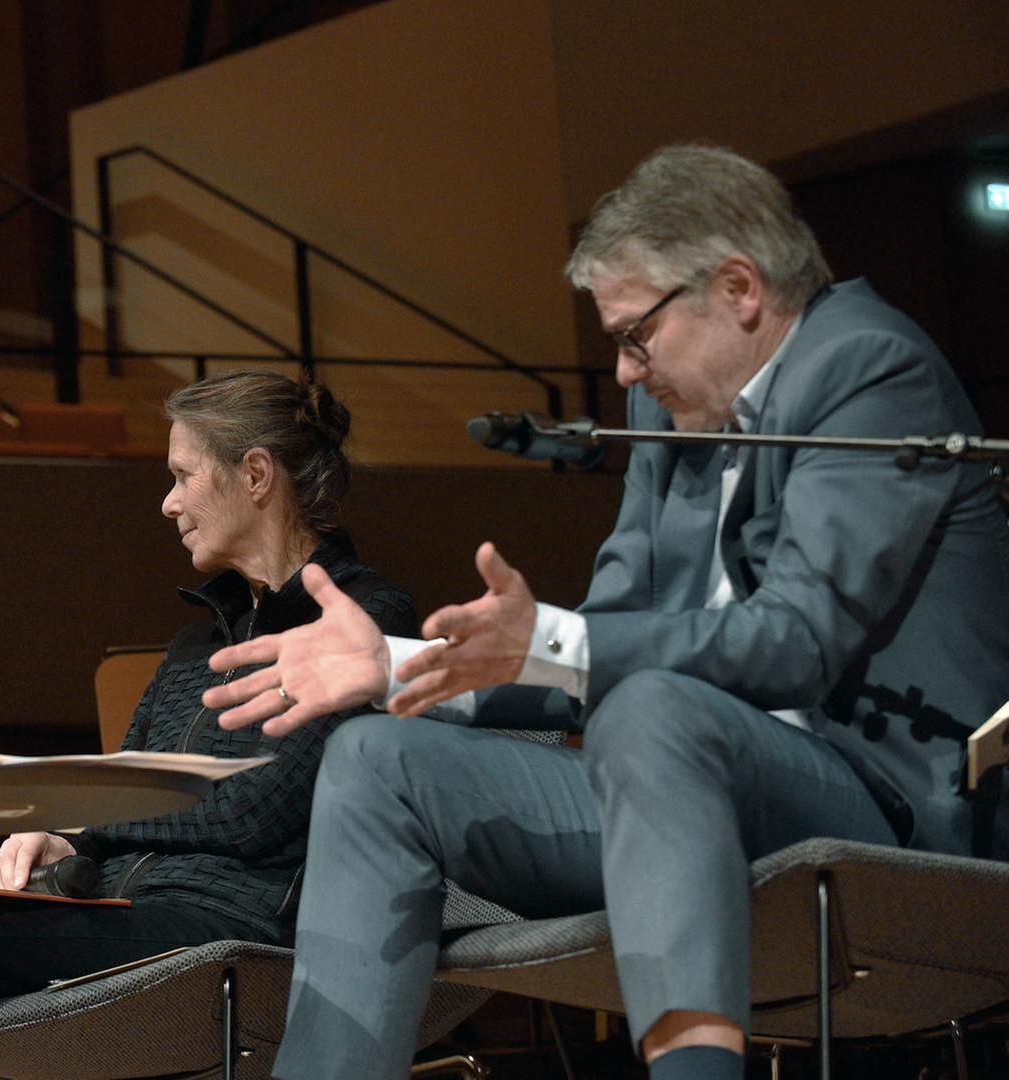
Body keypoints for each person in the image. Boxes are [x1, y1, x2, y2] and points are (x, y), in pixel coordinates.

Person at [206, 144, 1009, 1080]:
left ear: (739, 289)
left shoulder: (866, 366)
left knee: (651, 706)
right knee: (376, 758)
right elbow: (603, 637)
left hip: (880, 810)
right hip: (667, 789)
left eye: (636, 336)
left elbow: (796, 641)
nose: (625, 373)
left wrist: (557, 642)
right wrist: (399, 666)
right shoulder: (673, 416)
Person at [0, 370, 418, 1080]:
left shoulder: (366, 620)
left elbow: (255, 814)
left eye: (182, 476)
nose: (168, 502)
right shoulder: (195, 643)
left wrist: (94, 817)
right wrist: (68, 836)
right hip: (125, 910)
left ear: (255, 474)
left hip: (231, 933)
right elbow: (126, 783)